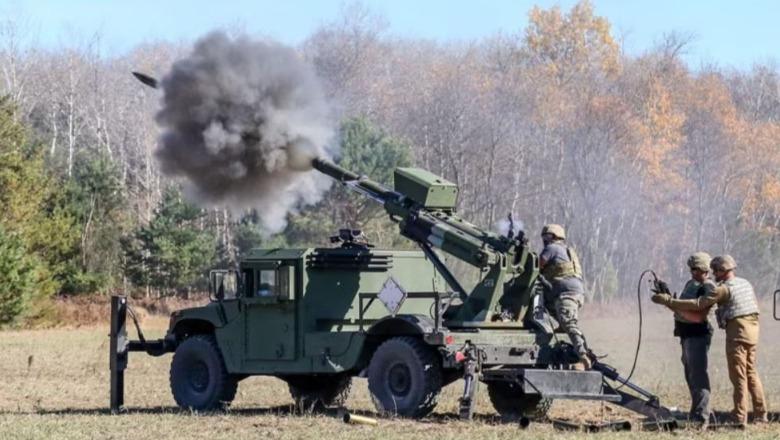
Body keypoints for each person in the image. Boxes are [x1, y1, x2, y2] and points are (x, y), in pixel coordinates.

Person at [652, 255, 768, 425]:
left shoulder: (722, 289)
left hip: (738, 332)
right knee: (750, 373)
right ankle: (760, 414)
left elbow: (699, 305)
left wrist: (669, 301)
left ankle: (739, 417)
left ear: (723, 270)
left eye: (715, 271)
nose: (713, 274)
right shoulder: (744, 283)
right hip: (752, 330)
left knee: (739, 376)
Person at [654, 252, 715, 425]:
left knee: (698, 375)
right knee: (690, 374)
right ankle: (695, 412)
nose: (692, 272)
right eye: (691, 268)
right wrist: (668, 300)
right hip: (686, 333)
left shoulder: (708, 288)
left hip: (698, 333)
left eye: (696, 269)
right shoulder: (691, 284)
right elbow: (679, 309)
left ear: (705, 269)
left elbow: (697, 317)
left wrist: (670, 302)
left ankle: (702, 417)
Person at [538, 224, 590, 368]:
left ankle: (584, 357)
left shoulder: (552, 248)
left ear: (555, 237)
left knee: (569, 323)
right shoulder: (566, 250)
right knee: (545, 304)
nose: (544, 240)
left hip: (566, 293)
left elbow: (536, 266)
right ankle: (562, 325)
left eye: (547, 236)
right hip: (575, 293)